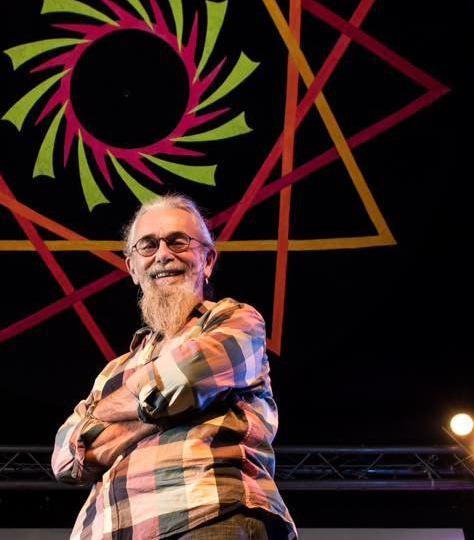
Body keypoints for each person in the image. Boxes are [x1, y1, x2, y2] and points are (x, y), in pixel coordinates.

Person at [52, 194, 296, 539]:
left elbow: (183, 379)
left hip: (208, 514)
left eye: (178, 242)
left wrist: (108, 416)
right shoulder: (113, 371)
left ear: (207, 260)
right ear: (132, 268)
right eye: (148, 246)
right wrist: (162, 406)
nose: (164, 255)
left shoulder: (233, 320)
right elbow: (66, 456)